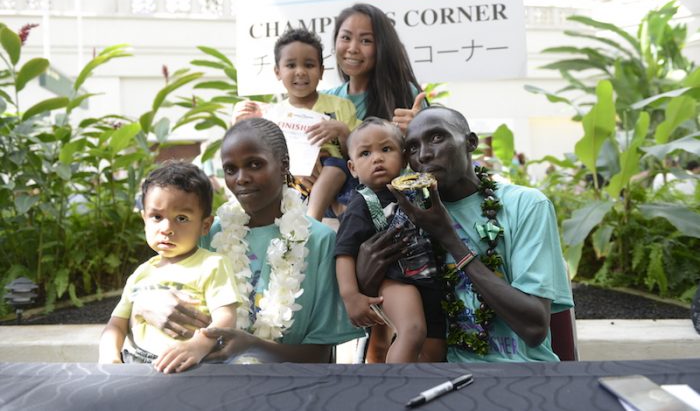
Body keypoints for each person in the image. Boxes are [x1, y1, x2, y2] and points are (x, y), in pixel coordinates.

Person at [132, 118, 361, 363]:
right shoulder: (207, 233)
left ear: (284, 165)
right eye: (231, 169)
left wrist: (252, 346)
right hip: (209, 383)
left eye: (254, 164)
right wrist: (145, 305)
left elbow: (319, 355)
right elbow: (153, 297)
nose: (241, 178)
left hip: (291, 390)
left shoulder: (319, 240)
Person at [355, 106, 574, 362]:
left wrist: (449, 238)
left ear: (471, 142)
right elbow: (377, 302)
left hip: (520, 372)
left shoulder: (526, 205)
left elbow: (535, 328)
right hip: (437, 375)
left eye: (437, 137)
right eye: (413, 148)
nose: (424, 154)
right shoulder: (406, 213)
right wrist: (365, 276)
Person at [98, 161, 240, 373]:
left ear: (205, 225)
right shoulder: (140, 274)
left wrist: (199, 345)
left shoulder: (212, 264)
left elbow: (225, 317)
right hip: (136, 361)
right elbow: (116, 325)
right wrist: (110, 357)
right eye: (157, 217)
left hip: (192, 363)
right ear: (144, 219)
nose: (167, 228)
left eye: (181, 218)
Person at [335, 117, 445, 363]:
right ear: (352, 168)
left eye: (386, 149)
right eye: (365, 154)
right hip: (395, 280)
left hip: (429, 277)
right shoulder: (362, 203)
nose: (377, 158)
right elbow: (344, 253)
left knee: (435, 347)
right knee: (412, 331)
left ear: (404, 158)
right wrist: (351, 295)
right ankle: (395, 385)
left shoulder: (415, 191)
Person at [233, 28, 360, 221]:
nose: (300, 72)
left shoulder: (340, 106)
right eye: (291, 65)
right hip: (293, 189)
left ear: (321, 71)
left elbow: (357, 154)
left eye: (309, 65)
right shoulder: (272, 115)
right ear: (277, 71)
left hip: (340, 186)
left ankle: (313, 219)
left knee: (334, 164)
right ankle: (309, 219)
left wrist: (342, 131)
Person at [324, 3, 425, 130]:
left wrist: (418, 129)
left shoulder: (405, 93)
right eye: (346, 37)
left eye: (366, 41)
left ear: (382, 47)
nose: (353, 48)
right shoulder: (323, 99)